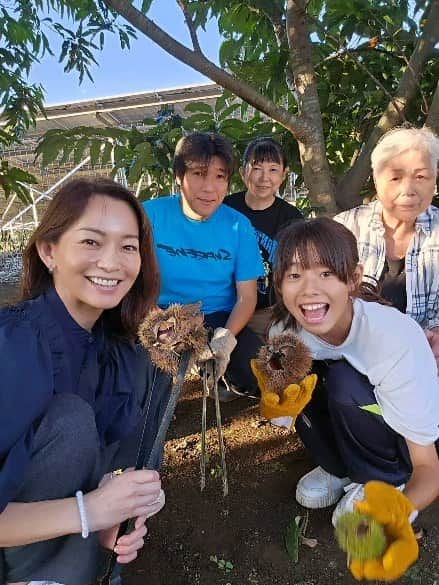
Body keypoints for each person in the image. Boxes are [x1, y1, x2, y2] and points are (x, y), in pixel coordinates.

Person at [0, 178, 169, 585]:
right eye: (92, 242)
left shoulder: (128, 352)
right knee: (72, 419)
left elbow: (112, 466)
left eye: (128, 247)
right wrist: (88, 512)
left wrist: (128, 506)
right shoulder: (13, 347)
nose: (112, 262)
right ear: (48, 250)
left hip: (68, 553)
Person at [258, 217, 439, 581]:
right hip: (356, 417)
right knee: (300, 380)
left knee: (343, 381)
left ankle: (382, 479)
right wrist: (274, 401)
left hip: (405, 438)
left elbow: (428, 468)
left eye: (326, 274)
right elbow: (281, 402)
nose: (309, 291)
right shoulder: (284, 333)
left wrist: (396, 513)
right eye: (295, 276)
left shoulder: (393, 340)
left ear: (353, 278)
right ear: (279, 283)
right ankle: (338, 468)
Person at [143, 132, 264, 400]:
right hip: (159, 313)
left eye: (219, 176)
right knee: (143, 381)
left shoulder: (238, 226)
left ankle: (224, 380)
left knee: (256, 372)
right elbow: (130, 282)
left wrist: (226, 338)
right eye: (199, 174)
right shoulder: (148, 216)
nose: (209, 187)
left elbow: (247, 296)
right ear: (179, 175)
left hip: (217, 315)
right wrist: (160, 321)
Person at [335, 126, 439, 368]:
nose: (408, 190)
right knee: (343, 388)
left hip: (426, 358)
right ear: (376, 178)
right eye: (395, 177)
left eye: (421, 177)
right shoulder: (345, 229)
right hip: (357, 357)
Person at [224, 137, 303, 338]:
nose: (264, 178)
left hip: (270, 313)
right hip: (224, 308)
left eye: (273, 170)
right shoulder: (224, 209)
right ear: (243, 173)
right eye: (257, 168)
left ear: (284, 175)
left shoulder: (292, 218)